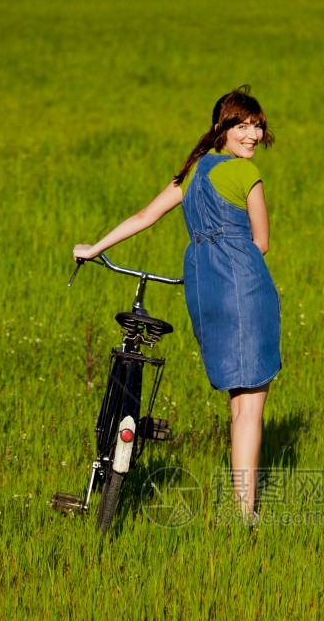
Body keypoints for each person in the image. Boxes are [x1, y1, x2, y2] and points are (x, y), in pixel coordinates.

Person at [73, 85, 281, 520]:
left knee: (236, 404)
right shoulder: (245, 175)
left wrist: (94, 248)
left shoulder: (192, 173)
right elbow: (260, 243)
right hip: (245, 288)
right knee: (250, 407)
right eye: (242, 126)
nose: (253, 135)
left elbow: (144, 218)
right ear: (222, 129)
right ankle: (246, 514)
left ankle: (243, 509)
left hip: (205, 292)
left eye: (257, 126)